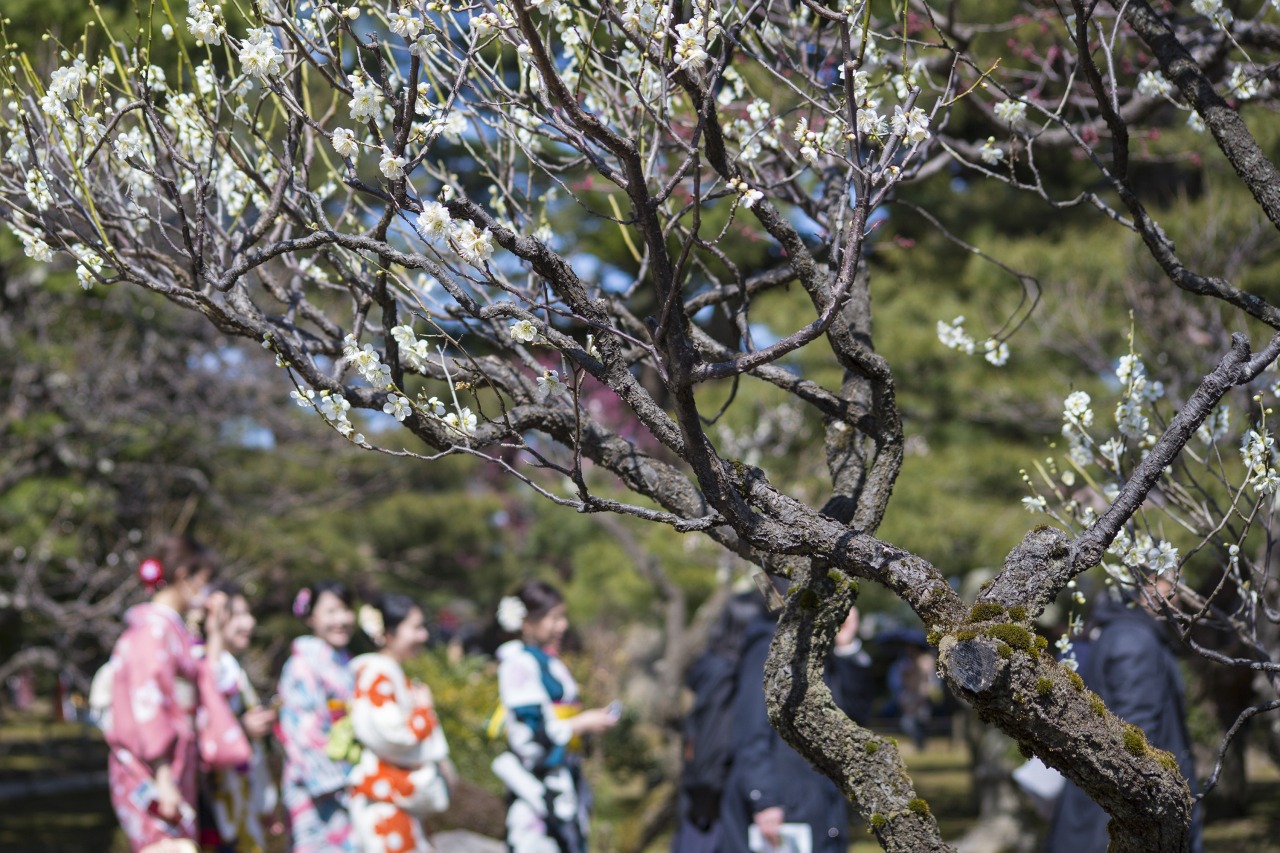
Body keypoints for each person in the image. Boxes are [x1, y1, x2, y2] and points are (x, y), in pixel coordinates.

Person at [102, 535, 251, 852]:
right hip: (153, 773)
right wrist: (164, 780)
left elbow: (205, 685)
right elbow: (148, 712)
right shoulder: (151, 633)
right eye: (205, 581)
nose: (208, 591)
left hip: (173, 769)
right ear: (184, 577)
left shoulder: (171, 631)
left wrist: (213, 635)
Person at [1043, 578, 1203, 853]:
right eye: (1169, 583)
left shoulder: (1126, 632)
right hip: (1110, 825)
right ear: (1138, 587)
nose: (1178, 595)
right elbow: (1136, 743)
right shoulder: (1134, 641)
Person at [718, 597, 871, 853]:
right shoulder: (772, 642)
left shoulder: (820, 645)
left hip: (821, 802)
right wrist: (764, 798)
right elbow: (751, 729)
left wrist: (846, 646)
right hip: (785, 805)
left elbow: (855, 717)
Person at [492, 581, 619, 853]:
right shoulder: (518, 662)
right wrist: (580, 723)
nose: (562, 626)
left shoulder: (548, 661)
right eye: (554, 618)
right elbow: (530, 736)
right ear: (527, 621)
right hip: (537, 788)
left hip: (565, 780)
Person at [348, 593, 454, 853]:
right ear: (388, 633)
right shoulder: (378, 675)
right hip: (384, 798)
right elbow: (395, 736)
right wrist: (423, 711)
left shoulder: (388, 673)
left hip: (395, 798)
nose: (423, 636)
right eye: (415, 628)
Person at [670, 591, 767, 853]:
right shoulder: (725, 674)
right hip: (714, 797)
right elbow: (717, 736)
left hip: (704, 791)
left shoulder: (710, 666)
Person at [197, 581, 278, 853]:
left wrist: (265, 803)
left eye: (249, 614)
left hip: (241, 796)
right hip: (216, 800)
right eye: (239, 615)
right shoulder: (201, 662)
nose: (250, 622)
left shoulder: (233, 667)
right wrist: (241, 729)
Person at [276, 581, 357, 853]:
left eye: (346, 610)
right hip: (316, 784)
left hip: (345, 781)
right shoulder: (302, 665)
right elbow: (300, 734)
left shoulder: (345, 663)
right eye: (331, 611)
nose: (341, 619)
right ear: (311, 618)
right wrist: (345, 778)